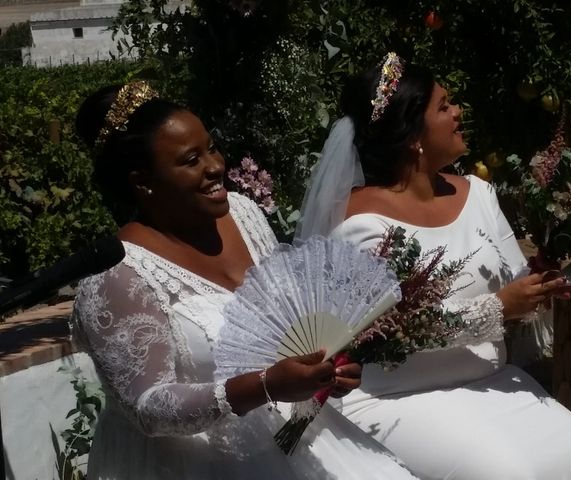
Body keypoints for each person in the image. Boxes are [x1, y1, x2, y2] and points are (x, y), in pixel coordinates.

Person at [71, 81, 418, 480]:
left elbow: (282, 327)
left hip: (292, 436)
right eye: (190, 160)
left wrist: (326, 372)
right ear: (142, 182)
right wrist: (264, 386)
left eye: (212, 147)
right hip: (189, 464)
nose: (215, 166)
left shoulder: (243, 213)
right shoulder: (117, 275)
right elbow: (148, 407)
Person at [296, 53, 571, 479]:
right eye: (444, 106)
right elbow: (382, 333)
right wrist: (499, 307)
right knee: (507, 472)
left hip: (490, 381)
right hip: (398, 397)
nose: (459, 111)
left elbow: (515, 284)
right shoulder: (359, 224)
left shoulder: (479, 193)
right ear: (413, 135)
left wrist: (541, 289)